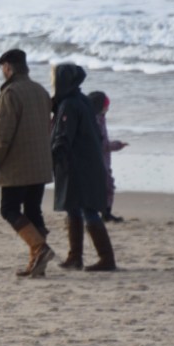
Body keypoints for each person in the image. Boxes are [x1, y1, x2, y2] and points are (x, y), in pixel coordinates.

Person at [0, 48, 55, 278]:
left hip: (17, 165)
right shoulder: (41, 91)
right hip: (41, 162)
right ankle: (37, 263)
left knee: (9, 209)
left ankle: (39, 249)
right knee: (33, 209)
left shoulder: (10, 94)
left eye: (2, 67)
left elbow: (2, 134)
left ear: (8, 67)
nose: (2, 72)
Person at [51, 63, 117, 271]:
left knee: (86, 210)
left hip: (77, 165)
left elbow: (64, 137)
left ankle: (105, 259)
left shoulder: (69, 104)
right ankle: (76, 257)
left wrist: (52, 156)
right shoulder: (82, 101)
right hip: (87, 163)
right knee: (75, 209)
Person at [88, 91, 128, 223]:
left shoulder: (98, 118)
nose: (108, 108)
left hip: (102, 160)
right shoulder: (95, 120)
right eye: (106, 105)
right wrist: (117, 145)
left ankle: (106, 213)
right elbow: (102, 144)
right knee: (107, 187)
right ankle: (105, 214)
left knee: (105, 187)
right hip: (99, 161)